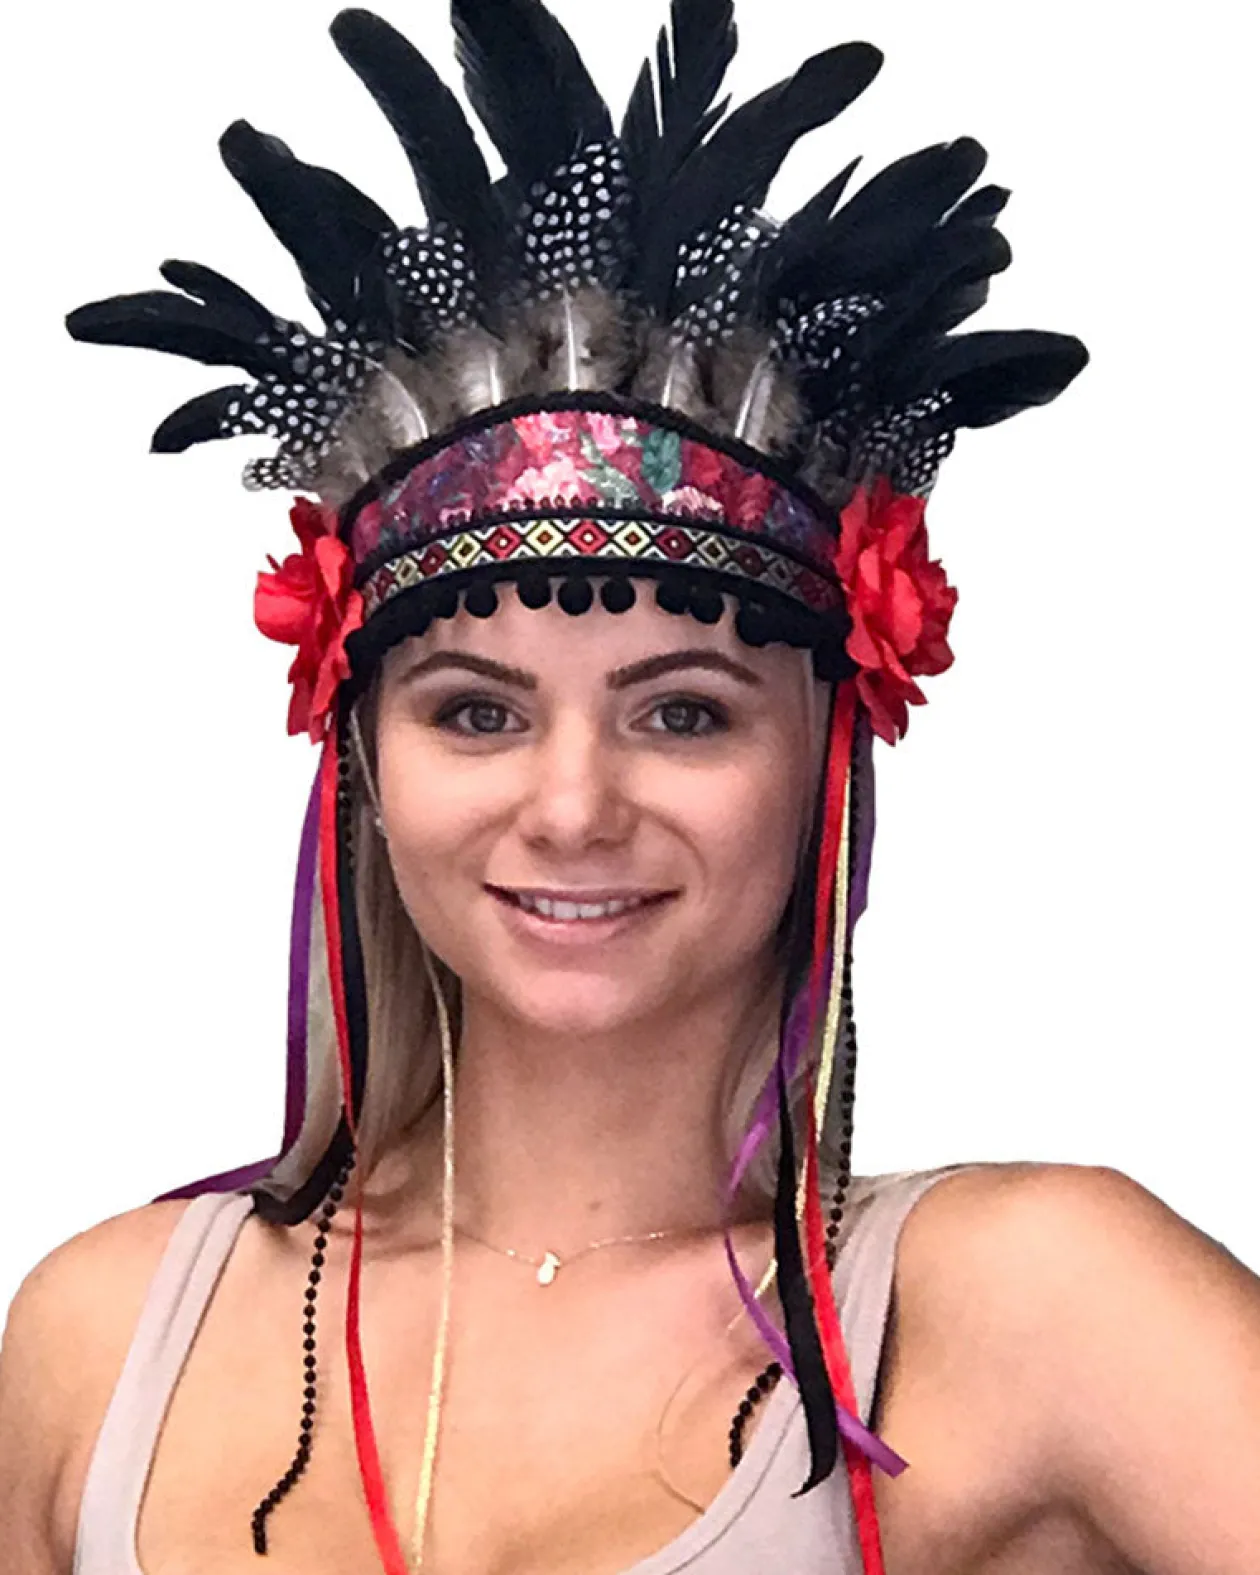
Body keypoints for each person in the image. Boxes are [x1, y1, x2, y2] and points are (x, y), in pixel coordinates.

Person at [2, 3, 1257, 1573]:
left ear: (827, 749)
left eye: (682, 712)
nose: (574, 805)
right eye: (476, 712)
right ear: (363, 757)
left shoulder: (1031, 1310)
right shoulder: (104, 1335)